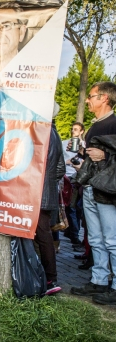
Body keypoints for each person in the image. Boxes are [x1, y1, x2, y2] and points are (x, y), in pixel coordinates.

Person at [70, 81, 116, 305]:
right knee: (95, 238)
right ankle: (98, 279)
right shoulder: (95, 125)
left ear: (104, 98)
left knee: (112, 239)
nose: (88, 100)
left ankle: (114, 285)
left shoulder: (113, 123)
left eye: (92, 96)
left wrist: (105, 156)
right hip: (90, 187)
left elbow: (107, 156)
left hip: (107, 191)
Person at [34, 105, 65, 296]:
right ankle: (48, 277)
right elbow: (60, 168)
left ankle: (49, 278)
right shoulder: (54, 132)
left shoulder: (42, 132)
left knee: (42, 236)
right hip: (45, 193)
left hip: (37, 193)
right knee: (43, 235)